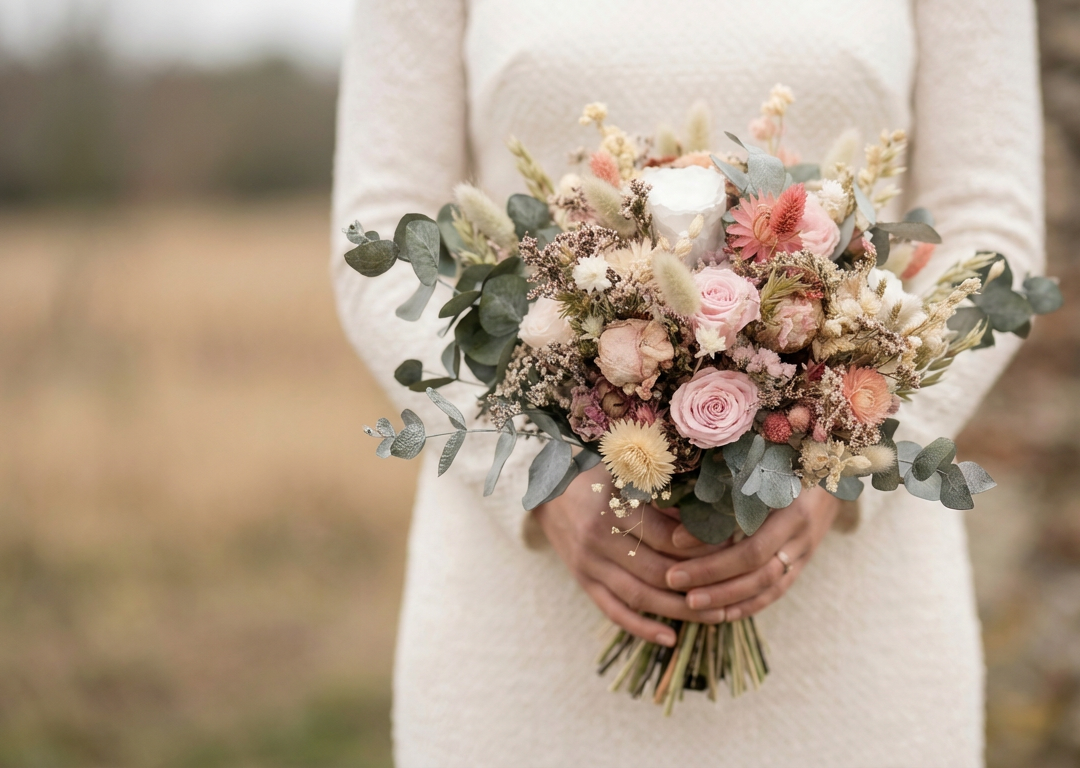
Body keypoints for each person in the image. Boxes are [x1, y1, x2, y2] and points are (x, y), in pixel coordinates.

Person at [330, 0, 1043, 764]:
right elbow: (381, 221)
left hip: (854, 632)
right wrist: (531, 479)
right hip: (523, 628)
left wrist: (837, 467)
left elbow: (992, 227)